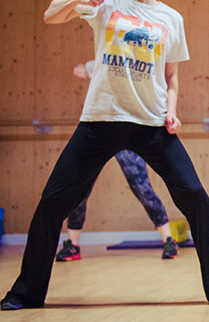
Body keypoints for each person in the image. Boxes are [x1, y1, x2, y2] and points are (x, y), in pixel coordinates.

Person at [1, 0, 209, 311]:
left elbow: (171, 78)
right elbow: (51, 14)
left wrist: (171, 110)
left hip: (151, 123)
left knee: (194, 195)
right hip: (101, 120)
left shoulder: (171, 18)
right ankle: (24, 293)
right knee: (52, 202)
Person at [54, 61, 179, 262]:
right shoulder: (106, 60)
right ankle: (72, 245)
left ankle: (169, 240)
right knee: (80, 187)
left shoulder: (140, 64)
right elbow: (93, 65)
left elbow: (167, 78)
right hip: (100, 130)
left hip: (129, 133)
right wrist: (85, 69)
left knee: (141, 187)